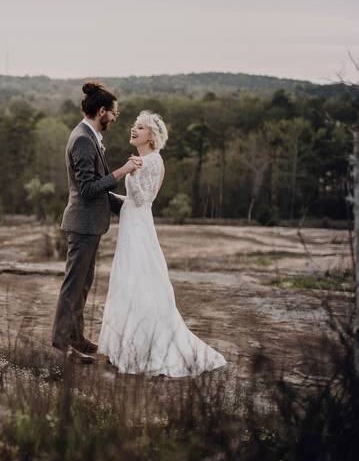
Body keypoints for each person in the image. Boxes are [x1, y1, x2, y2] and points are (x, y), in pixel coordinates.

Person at [97, 111, 227, 376]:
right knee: (127, 282)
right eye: (134, 125)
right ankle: (124, 345)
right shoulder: (142, 160)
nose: (134, 130)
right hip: (132, 225)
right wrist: (110, 192)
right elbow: (133, 202)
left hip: (139, 229)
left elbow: (144, 200)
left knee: (139, 282)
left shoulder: (152, 161)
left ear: (152, 138)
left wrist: (131, 176)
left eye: (141, 128)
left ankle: (143, 349)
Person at [52, 82, 142, 364]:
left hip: (90, 225)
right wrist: (122, 171)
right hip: (82, 225)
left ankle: (75, 337)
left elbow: (98, 192)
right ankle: (61, 344)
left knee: (83, 285)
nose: (115, 118)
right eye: (113, 112)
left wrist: (130, 207)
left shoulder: (89, 137)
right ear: (101, 111)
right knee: (73, 286)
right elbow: (89, 189)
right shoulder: (82, 139)